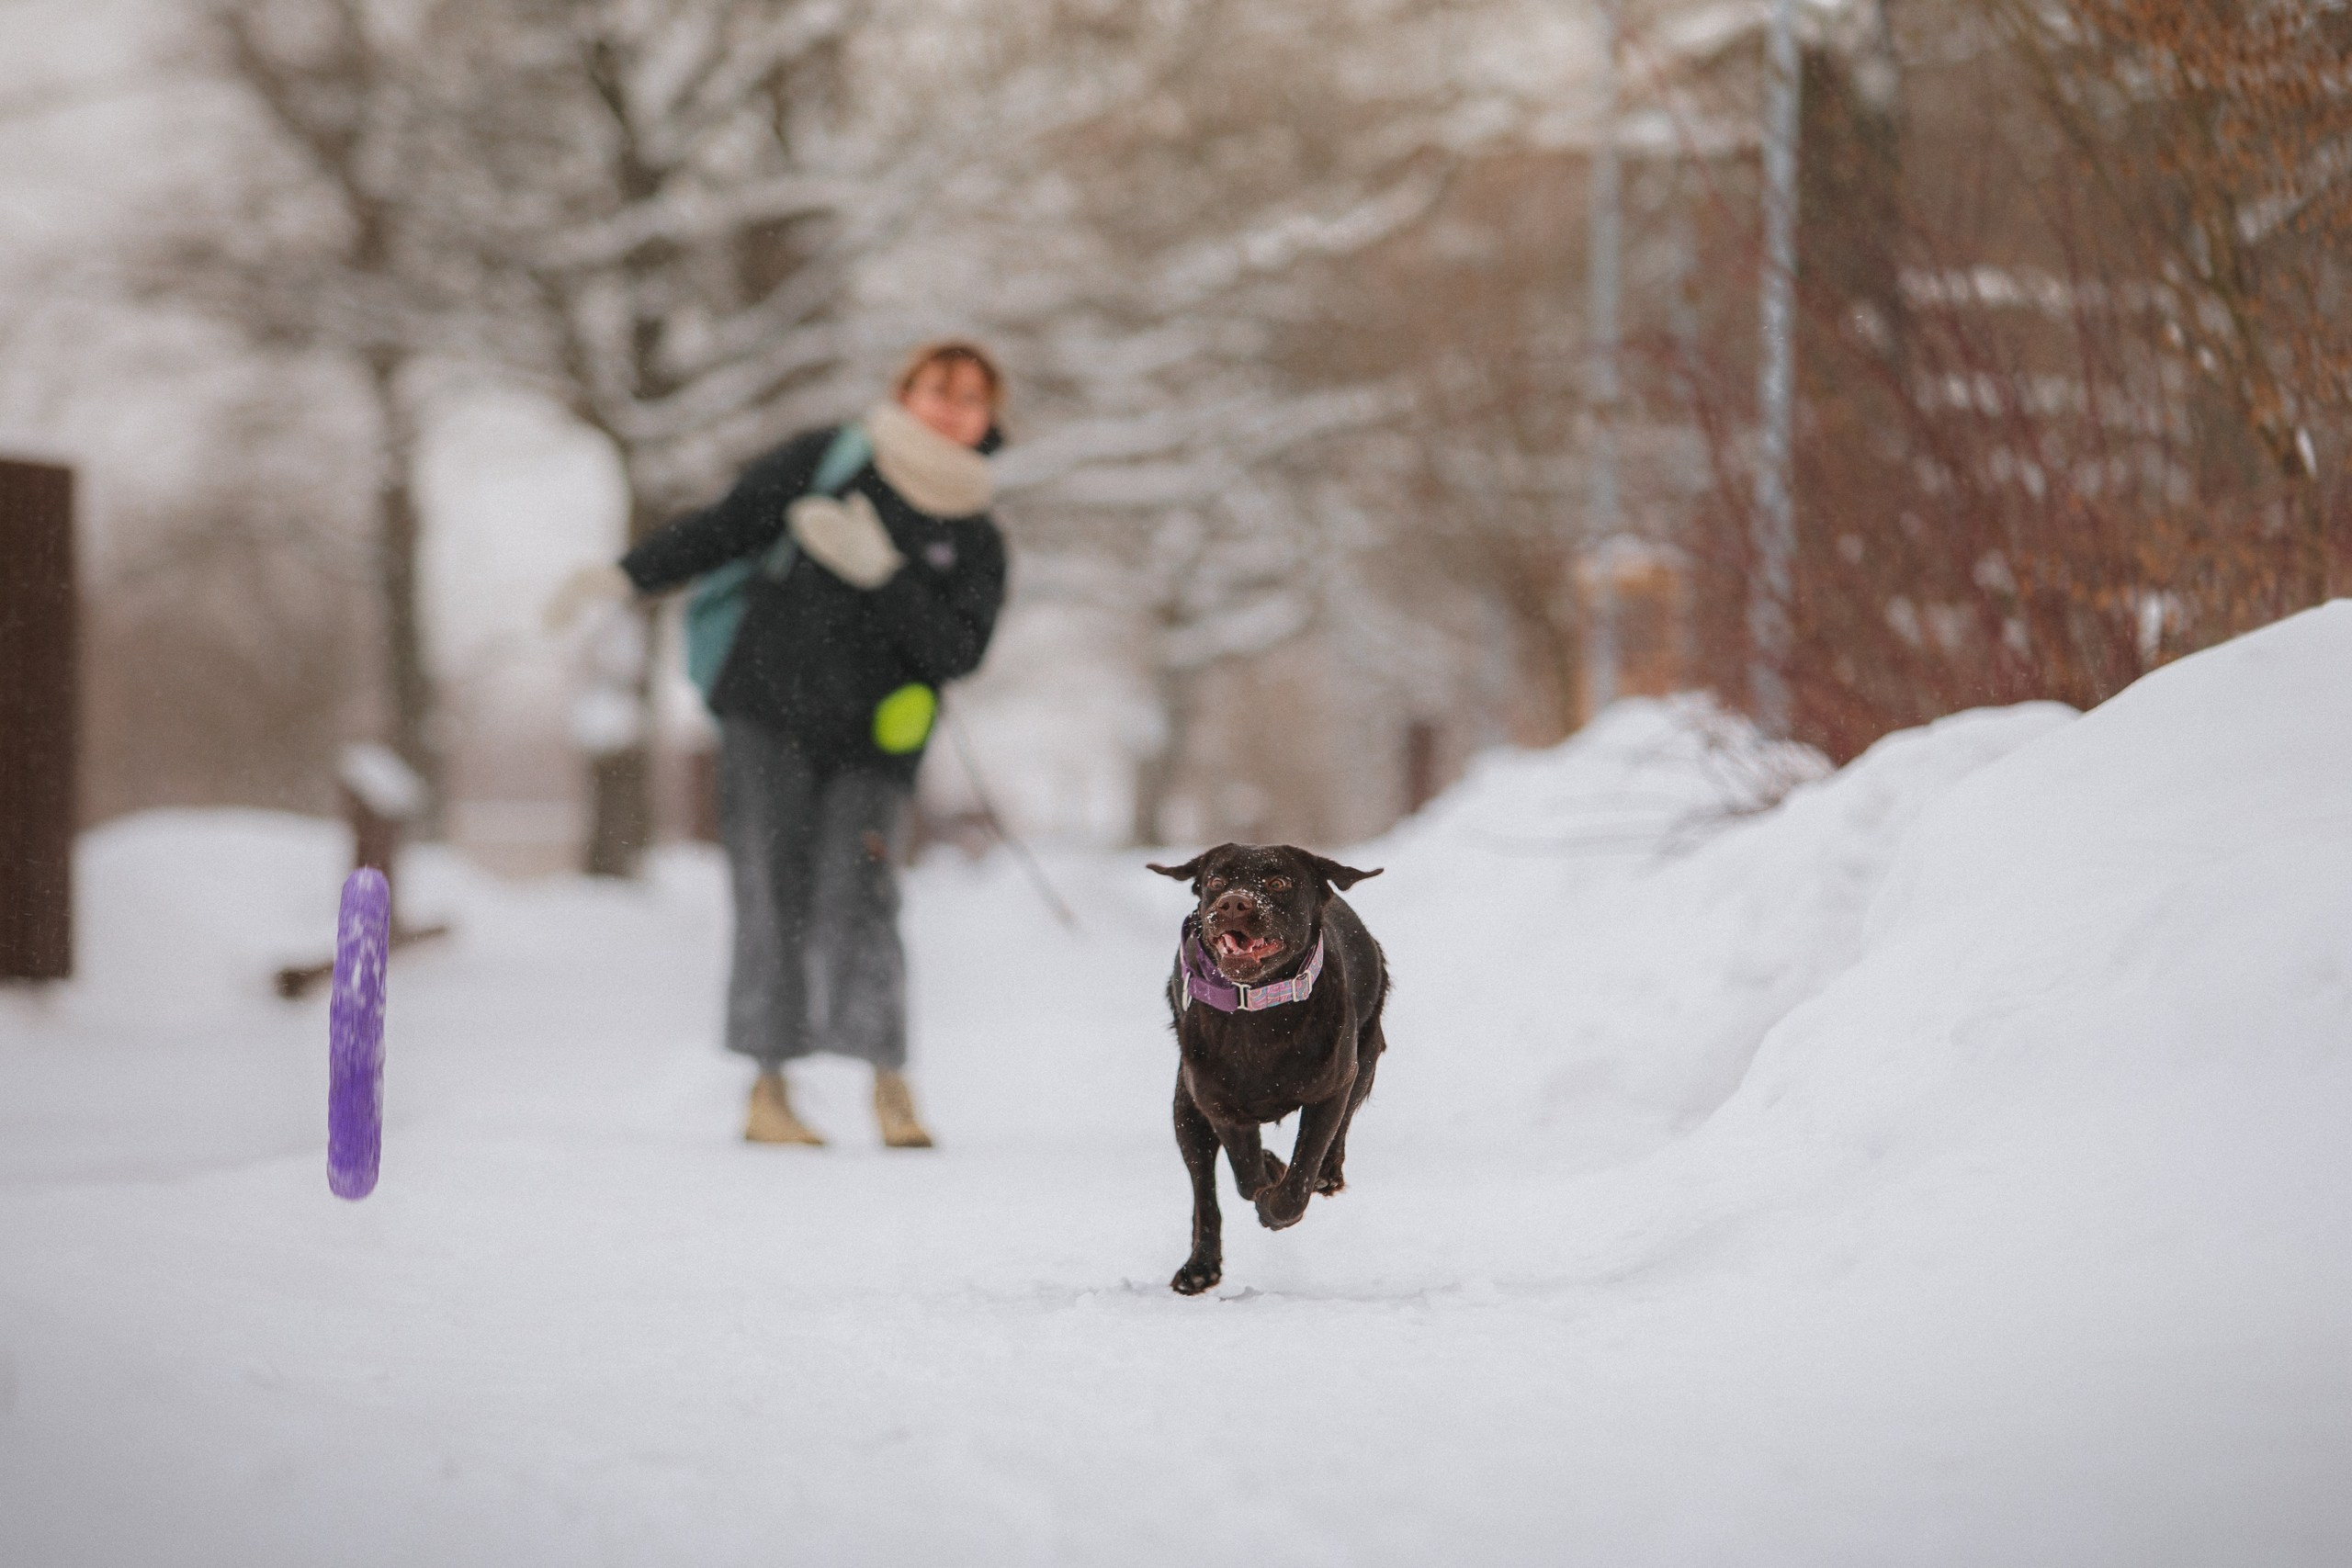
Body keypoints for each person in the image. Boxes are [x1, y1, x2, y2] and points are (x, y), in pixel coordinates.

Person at [548, 343, 1008, 1146]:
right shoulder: (829, 461)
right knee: (771, 894)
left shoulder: (975, 534)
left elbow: (957, 649)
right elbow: (726, 527)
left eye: (972, 396)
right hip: (768, 715)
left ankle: (888, 1083)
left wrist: (883, 572)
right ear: (903, 390)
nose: (952, 406)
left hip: (876, 742)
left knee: (861, 896)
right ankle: (769, 1090)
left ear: (989, 417)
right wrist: (624, 576)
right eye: (938, 387)